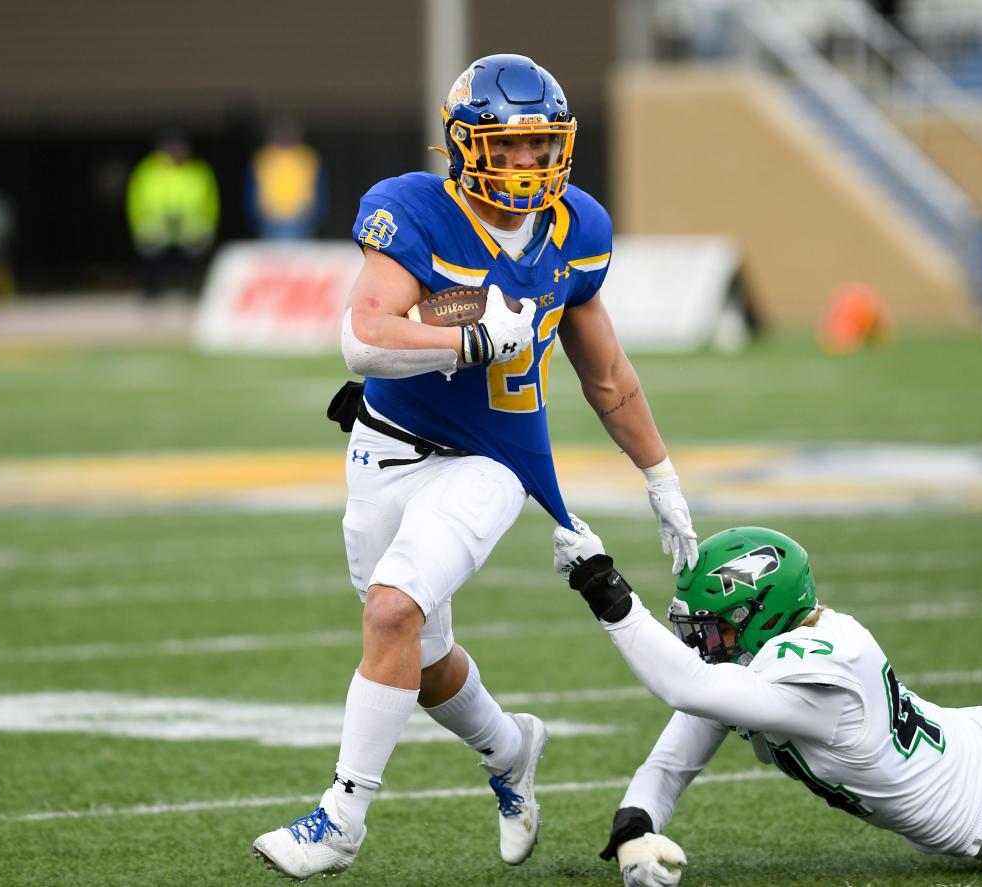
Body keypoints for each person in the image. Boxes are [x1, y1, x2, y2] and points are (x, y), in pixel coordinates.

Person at [250, 53, 700, 882]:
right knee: (418, 661)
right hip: (383, 448)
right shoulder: (415, 209)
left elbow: (607, 376)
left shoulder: (576, 229)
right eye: (512, 144)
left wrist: (660, 475)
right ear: (464, 145)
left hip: (491, 461)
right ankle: (510, 747)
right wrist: (465, 338)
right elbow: (360, 337)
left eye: (541, 144)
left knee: (392, 612)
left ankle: (340, 818)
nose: (530, 161)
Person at [550, 520, 982, 885]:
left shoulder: (819, 668)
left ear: (760, 614)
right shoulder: (759, 662)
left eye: (713, 631)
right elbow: (670, 763)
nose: (702, 646)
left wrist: (604, 587)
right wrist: (635, 831)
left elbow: (687, 685)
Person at [125, 132, 219, 300]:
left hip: (188, 222)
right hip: (157, 221)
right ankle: (152, 293)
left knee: (194, 254)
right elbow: (135, 197)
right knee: (153, 255)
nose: (177, 152)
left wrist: (209, 221)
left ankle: (192, 291)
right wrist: (138, 222)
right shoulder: (149, 169)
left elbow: (210, 198)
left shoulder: (197, 170)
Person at [244, 117, 327, 240]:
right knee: (272, 255)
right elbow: (252, 187)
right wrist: (253, 213)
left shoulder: (307, 156)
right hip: (270, 218)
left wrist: (317, 213)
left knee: (300, 255)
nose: (285, 135)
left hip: (302, 218)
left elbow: (319, 187)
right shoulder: (263, 156)